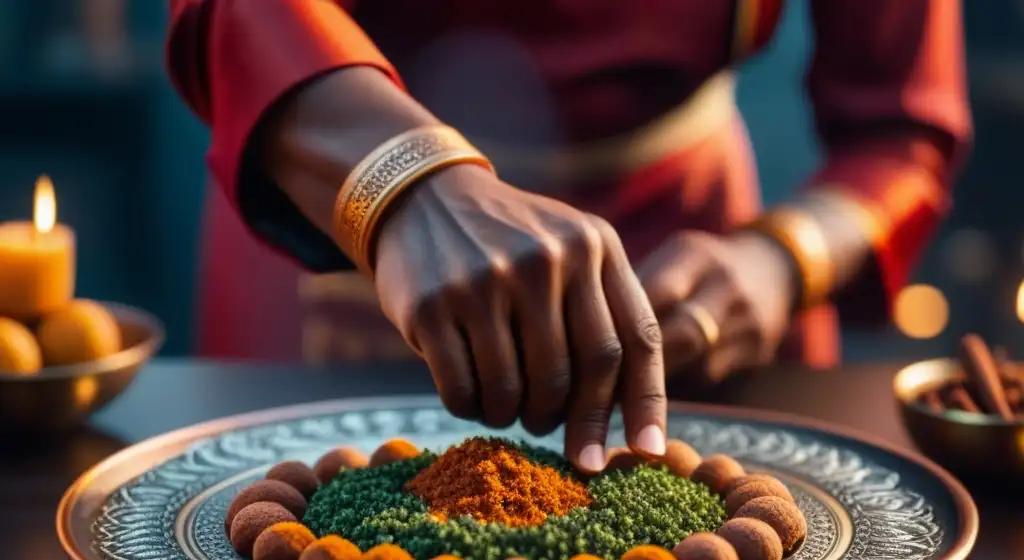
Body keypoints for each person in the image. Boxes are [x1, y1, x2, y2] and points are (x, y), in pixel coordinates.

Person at [165, 0, 971, 473]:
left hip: (697, 283)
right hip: (343, 230)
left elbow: (901, 127)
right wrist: (405, 182)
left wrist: (781, 259)